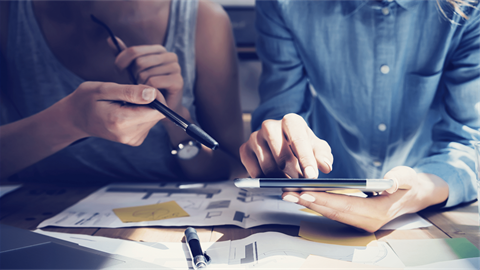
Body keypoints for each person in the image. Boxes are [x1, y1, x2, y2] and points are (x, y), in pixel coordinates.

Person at [240, 0, 480, 232]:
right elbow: (282, 106)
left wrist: (418, 191)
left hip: (429, 209)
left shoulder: (469, 7)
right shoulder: (284, 4)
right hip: (310, 207)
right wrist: (277, 143)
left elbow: (469, 141)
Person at [0, 0, 245, 182]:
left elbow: (234, 169)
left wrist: (176, 117)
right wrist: (69, 121)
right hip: (28, 223)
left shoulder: (203, 19)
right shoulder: (9, 15)